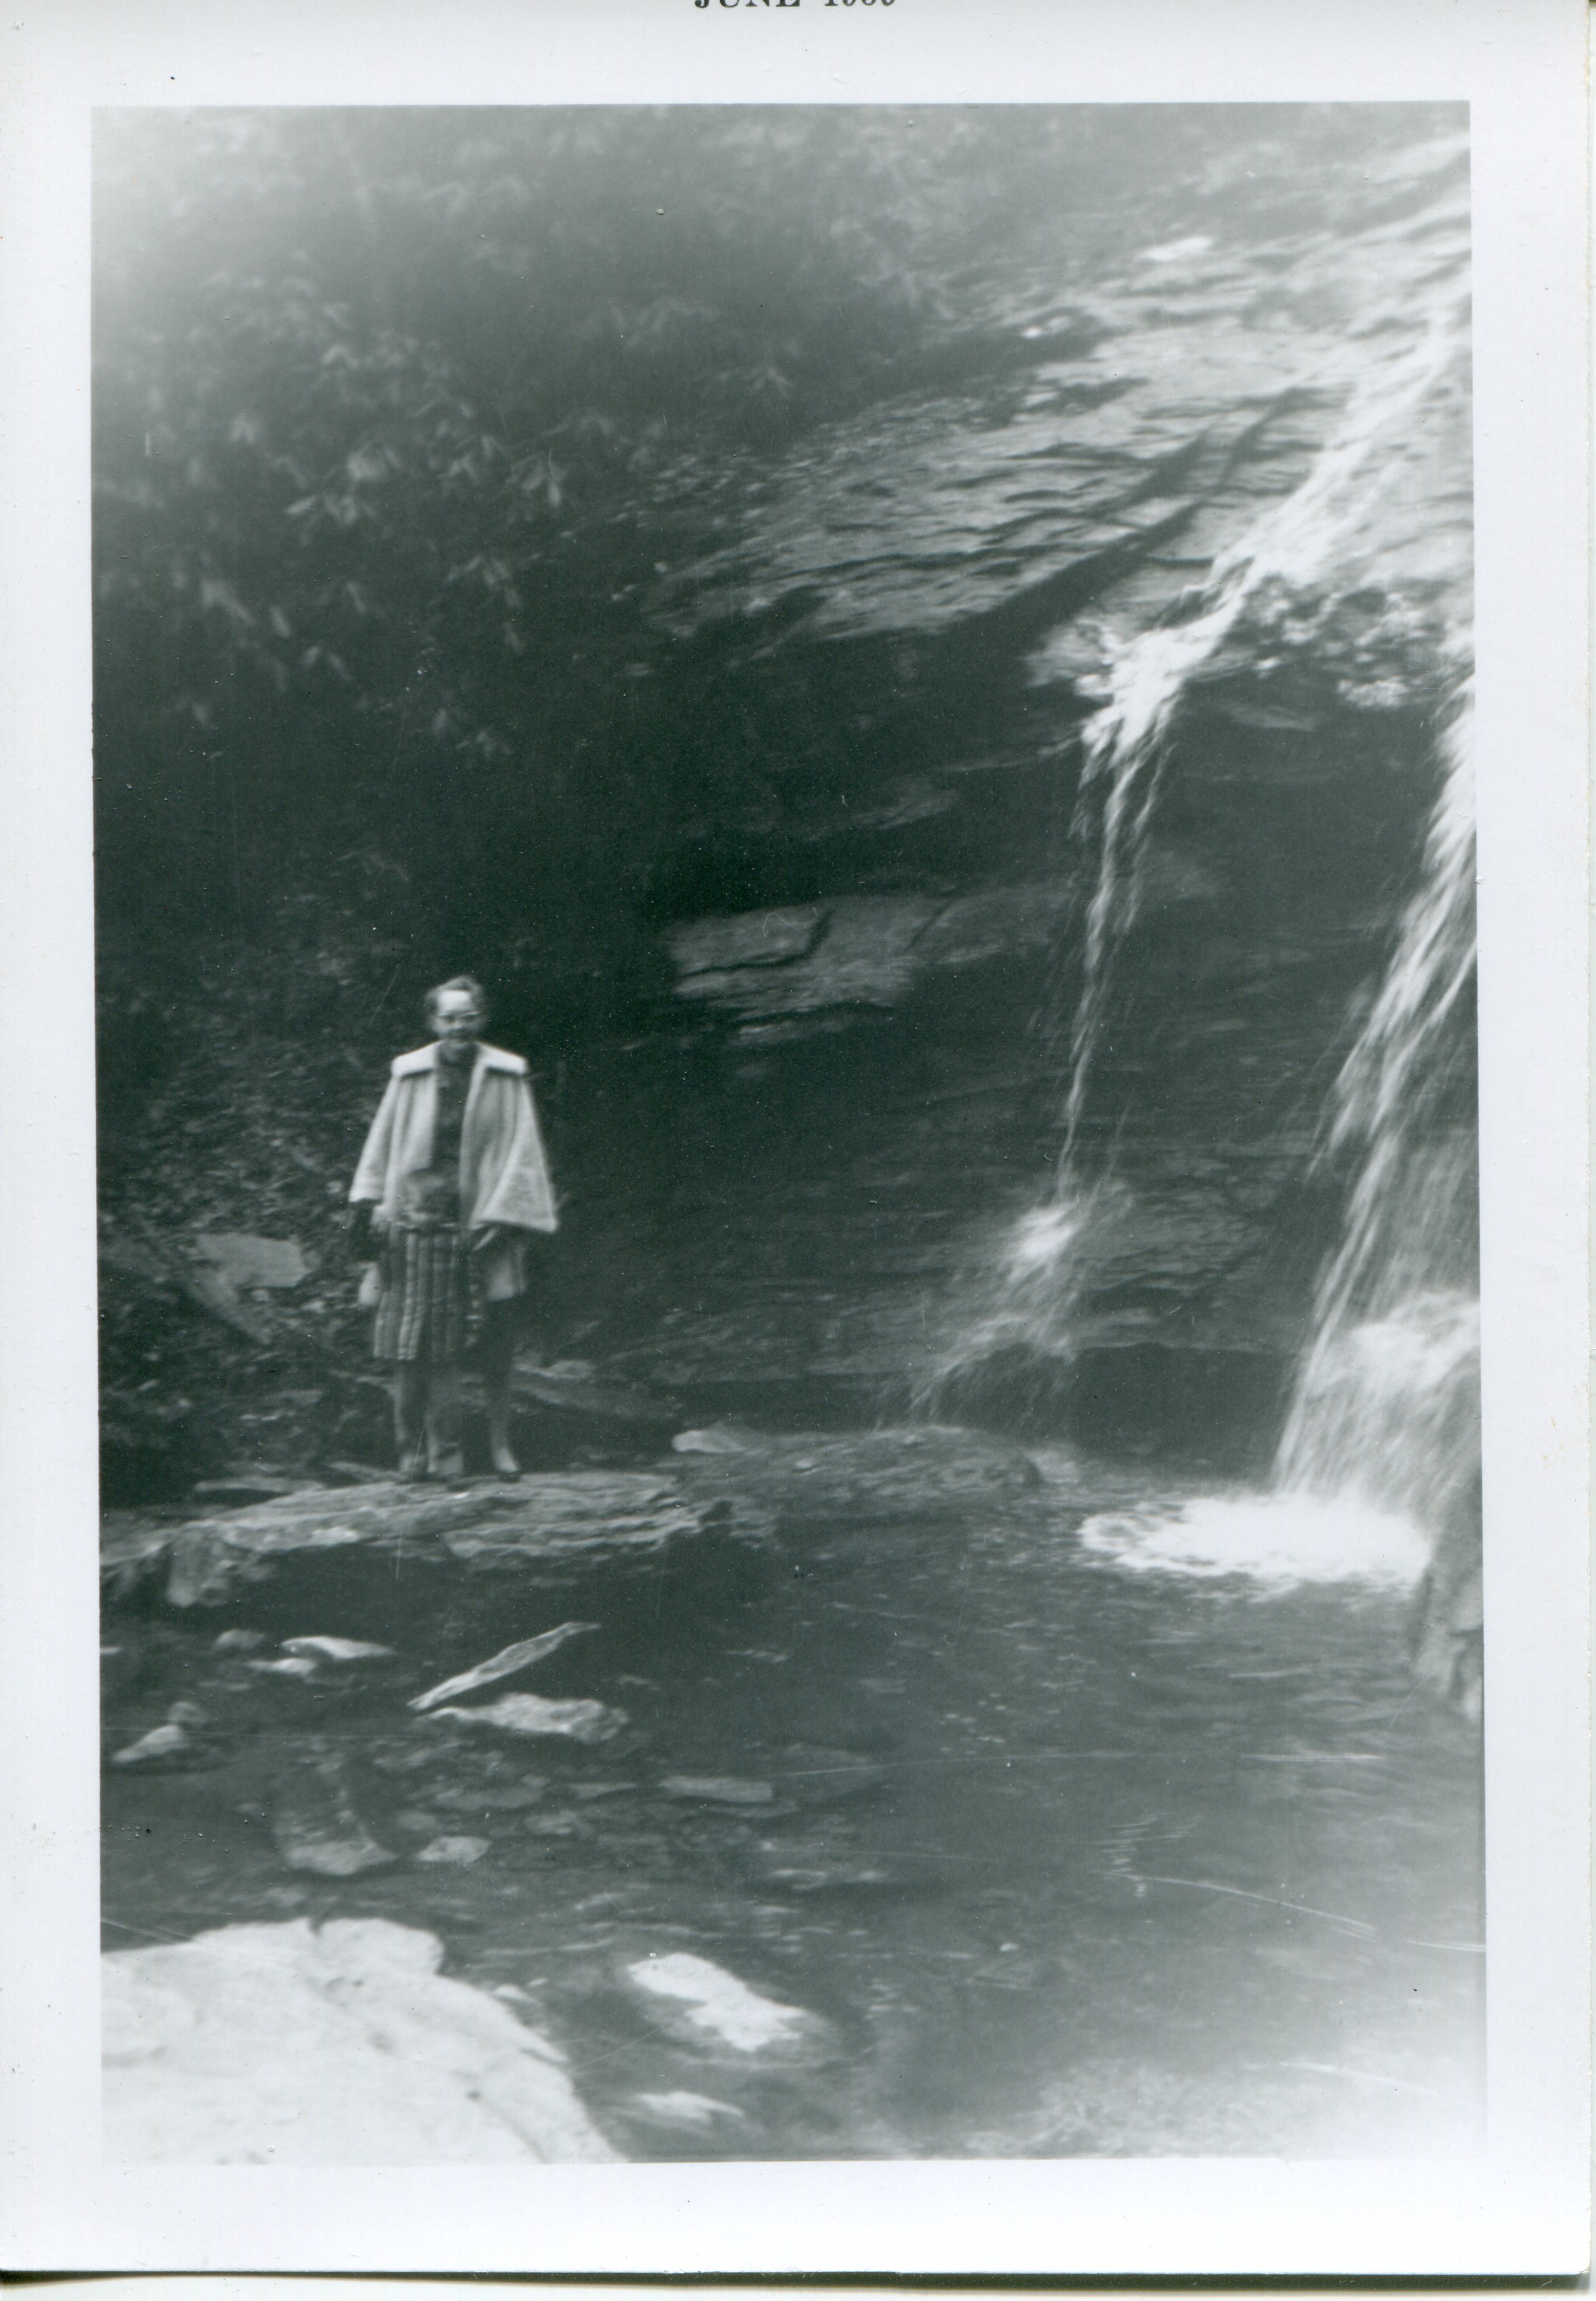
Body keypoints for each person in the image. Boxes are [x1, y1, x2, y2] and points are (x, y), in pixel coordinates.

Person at [350, 976, 558, 1480]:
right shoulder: (410, 1073)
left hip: (484, 1219)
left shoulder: (506, 1074)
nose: (458, 1027)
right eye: (448, 1018)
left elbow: (524, 1151)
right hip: (418, 1221)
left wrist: (504, 1216)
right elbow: (382, 1143)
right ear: (433, 1021)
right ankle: (422, 1451)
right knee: (417, 1340)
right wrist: (372, 1201)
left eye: (467, 1017)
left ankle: (501, 1445)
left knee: (496, 1337)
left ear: (481, 1018)